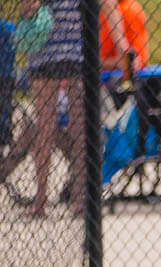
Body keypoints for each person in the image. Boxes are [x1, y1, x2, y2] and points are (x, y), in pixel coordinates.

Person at [4, 0, 128, 217]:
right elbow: (108, 6)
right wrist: (122, 45)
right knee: (77, 127)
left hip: (47, 54)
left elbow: (28, 9)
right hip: (75, 54)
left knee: (46, 127)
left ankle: (42, 201)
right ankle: (78, 199)